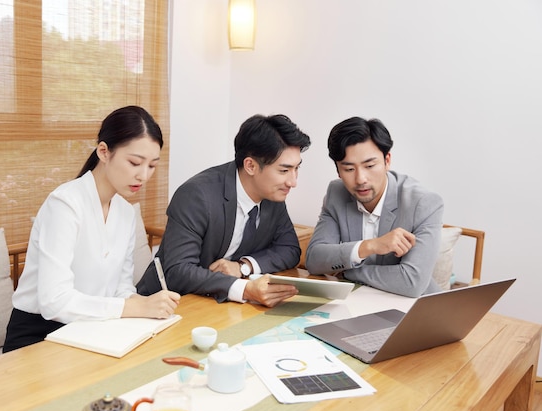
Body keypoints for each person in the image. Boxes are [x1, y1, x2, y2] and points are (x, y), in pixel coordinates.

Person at [3, 106, 181, 352]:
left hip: (92, 331)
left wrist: (146, 302)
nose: (143, 176)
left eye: (152, 166)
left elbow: (121, 288)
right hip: (38, 337)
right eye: (134, 162)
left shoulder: (126, 213)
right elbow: (54, 302)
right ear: (104, 152)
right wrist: (133, 308)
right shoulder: (65, 204)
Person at [136, 114, 311, 307]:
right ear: (251, 165)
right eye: (284, 170)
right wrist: (244, 289)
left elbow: (290, 249)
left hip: (220, 304)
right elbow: (179, 270)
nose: (293, 182)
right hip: (168, 303)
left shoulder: (273, 195)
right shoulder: (197, 195)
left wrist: (244, 267)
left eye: (297, 169)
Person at [305, 116, 443, 298]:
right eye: (349, 169)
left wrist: (348, 272)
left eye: (369, 165)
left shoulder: (423, 203)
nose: (361, 179)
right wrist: (370, 246)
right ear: (338, 171)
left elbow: (412, 282)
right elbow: (314, 259)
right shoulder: (336, 193)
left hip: (413, 310)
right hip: (356, 304)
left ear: (387, 160)